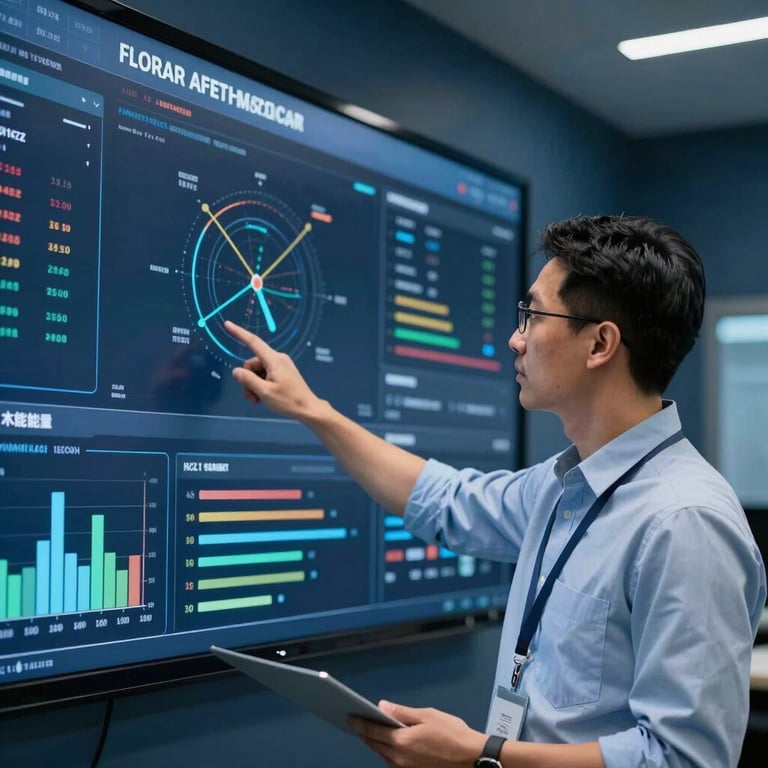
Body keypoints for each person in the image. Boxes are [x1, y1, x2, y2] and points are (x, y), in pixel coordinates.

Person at [224, 214, 766, 768]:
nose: (516, 338)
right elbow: (447, 501)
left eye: (533, 315)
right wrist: (312, 410)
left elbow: (684, 758)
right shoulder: (563, 485)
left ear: (600, 343)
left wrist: (484, 754)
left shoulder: (686, 523)